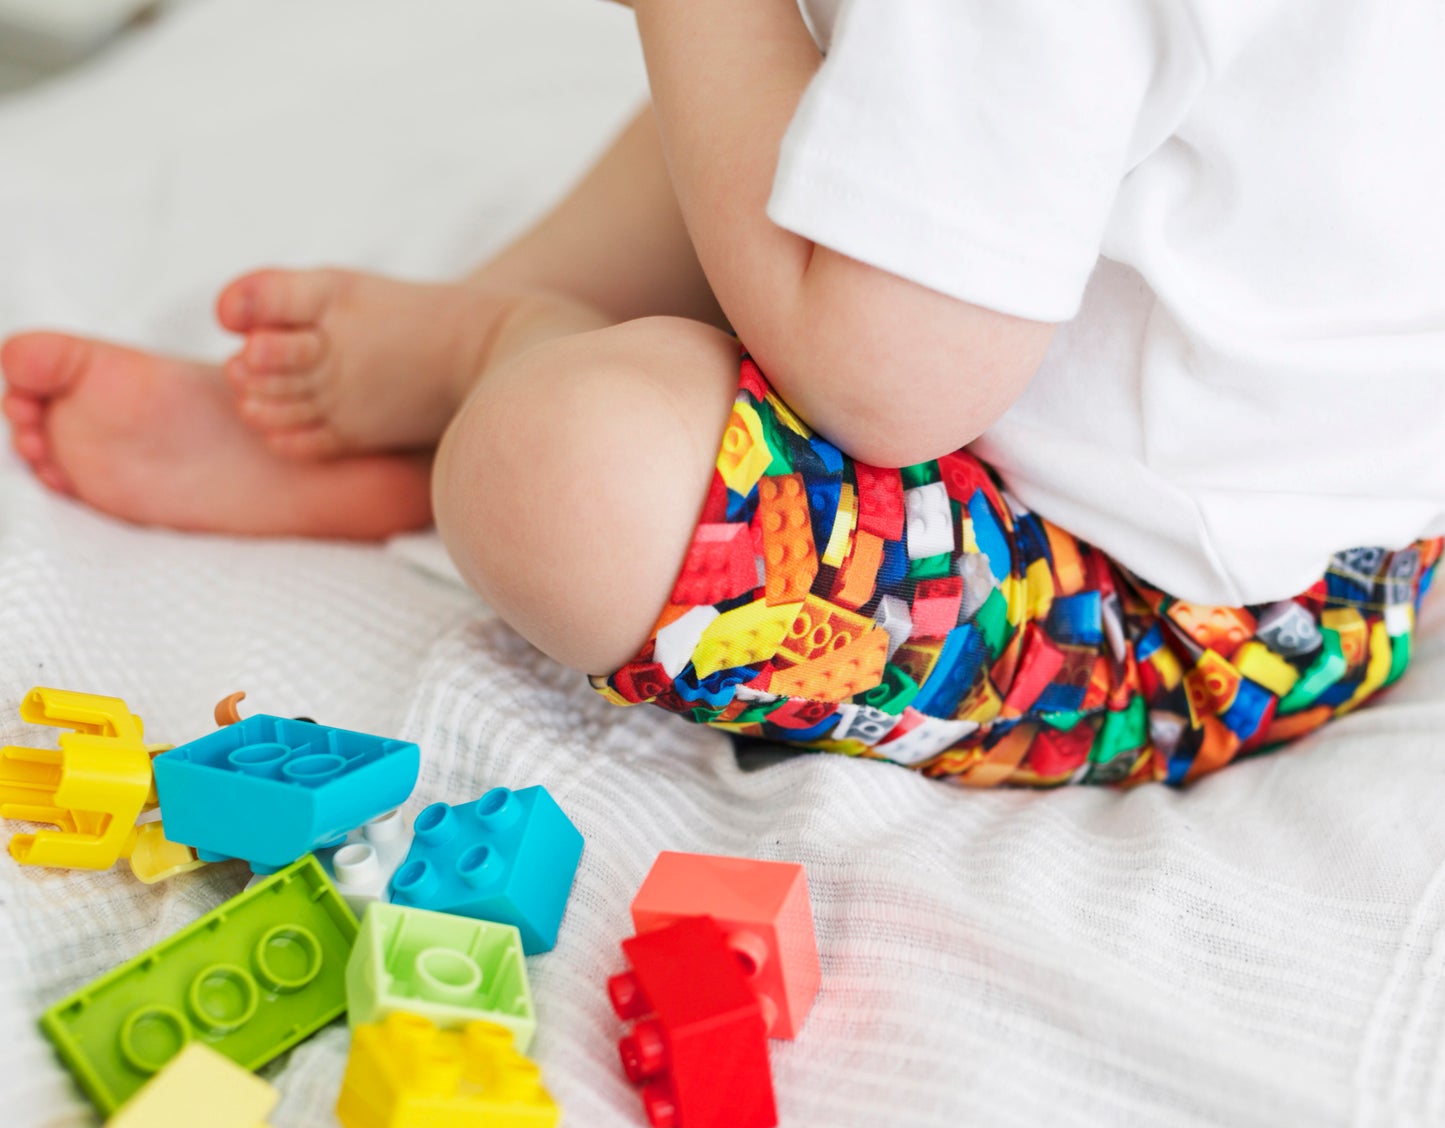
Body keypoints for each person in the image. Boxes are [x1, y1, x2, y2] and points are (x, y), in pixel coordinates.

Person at [3, 1, 1443, 785]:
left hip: (1188, 613)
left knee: (565, 472)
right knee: (813, 99)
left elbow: (889, 389)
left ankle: (482, 358)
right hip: (1265, 441)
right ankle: (454, 353)